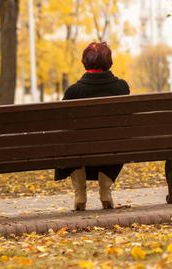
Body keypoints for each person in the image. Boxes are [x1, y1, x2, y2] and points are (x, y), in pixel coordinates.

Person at [54, 42, 130, 211]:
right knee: (118, 140)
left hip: (80, 151)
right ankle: (105, 187)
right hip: (112, 150)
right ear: (108, 62)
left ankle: (80, 191)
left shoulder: (73, 92)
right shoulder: (122, 87)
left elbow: (63, 128)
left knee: (69, 142)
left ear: (85, 61)